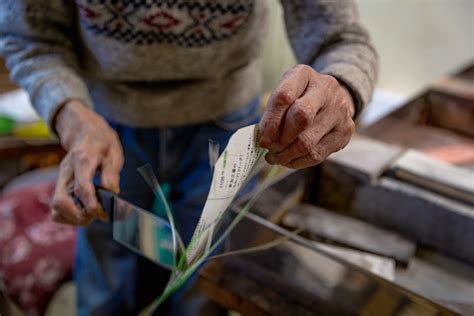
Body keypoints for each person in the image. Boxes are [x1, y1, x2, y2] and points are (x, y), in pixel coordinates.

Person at [0, 0, 378, 315]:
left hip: (227, 124)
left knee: (202, 275)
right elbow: (29, 38)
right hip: (103, 123)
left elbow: (339, 37)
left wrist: (341, 89)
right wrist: (73, 119)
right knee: (106, 271)